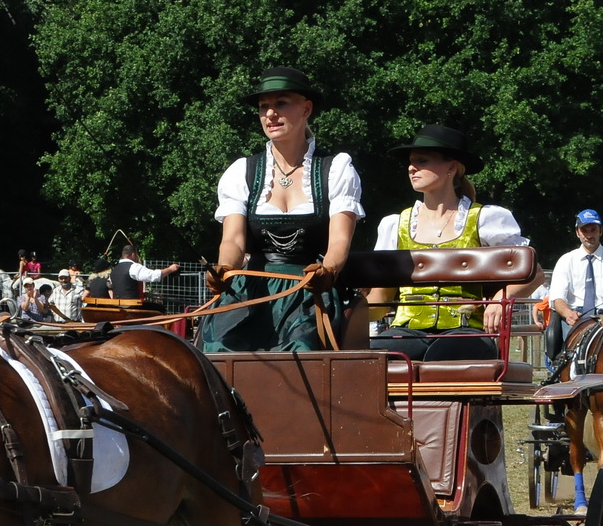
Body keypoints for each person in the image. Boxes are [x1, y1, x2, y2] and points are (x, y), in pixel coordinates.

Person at [203, 67, 362, 352]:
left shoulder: (335, 169)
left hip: (309, 292)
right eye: (264, 107)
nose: (270, 114)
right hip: (251, 290)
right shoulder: (242, 171)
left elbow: (339, 241)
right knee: (218, 349)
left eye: (281, 103)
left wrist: (327, 271)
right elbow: (233, 240)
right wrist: (223, 269)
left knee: (300, 350)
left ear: (306, 108)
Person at [365, 125, 523, 361]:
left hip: (466, 330)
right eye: (410, 161)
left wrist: (500, 301)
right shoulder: (395, 224)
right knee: (378, 354)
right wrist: (349, 309)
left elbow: (535, 274)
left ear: (452, 167)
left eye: (423, 160)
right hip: (407, 331)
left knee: (448, 352)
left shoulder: (485, 219)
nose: (411, 167)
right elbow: (380, 298)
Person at [548, 209, 603, 365]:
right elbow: (557, 299)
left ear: (600, 231)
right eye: (584, 230)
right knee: (573, 360)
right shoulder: (565, 261)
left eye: (593, 229)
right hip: (576, 320)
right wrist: (568, 313)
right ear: (577, 233)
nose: (589, 234)